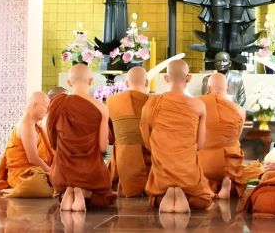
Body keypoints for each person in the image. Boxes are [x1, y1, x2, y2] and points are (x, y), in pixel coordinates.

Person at [141, 59, 214, 212]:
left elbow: (147, 141)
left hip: (162, 168)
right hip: (187, 171)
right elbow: (200, 145)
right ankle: (182, 191)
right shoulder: (199, 105)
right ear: (188, 78)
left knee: (156, 195)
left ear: (166, 78)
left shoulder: (152, 103)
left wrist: (161, 149)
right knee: (202, 200)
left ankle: (168, 191)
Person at [48, 64, 114, 210]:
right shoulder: (101, 107)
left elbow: (52, 141)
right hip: (89, 171)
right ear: (90, 81)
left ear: (69, 83)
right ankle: (80, 190)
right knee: (101, 186)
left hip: (63, 170)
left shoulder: (58, 103)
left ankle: (70, 189)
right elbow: (103, 147)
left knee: (66, 172)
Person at [198, 73, 261, 199]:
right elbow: (236, 137)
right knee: (256, 168)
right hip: (229, 165)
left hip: (204, 163)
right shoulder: (240, 110)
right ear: (227, 89)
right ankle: (227, 181)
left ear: (208, 89)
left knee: (192, 164)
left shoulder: (197, 104)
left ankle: (207, 187)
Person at [0, 92, 54, 198]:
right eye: (45, 107)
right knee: (43, 187)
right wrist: (51, 172)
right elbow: (33, 158)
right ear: (35, 105)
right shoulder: (27, 126)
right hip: (22, 175)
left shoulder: (35, 126)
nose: (47, 111)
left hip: (34, 171)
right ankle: (12, 190)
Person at [107, 67, 151, 197]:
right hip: (148, 157)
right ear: (147, 83)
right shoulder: (153, 102)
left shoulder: (111, 101)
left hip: (122, 157)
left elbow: (110, 135)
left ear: (126, 83)